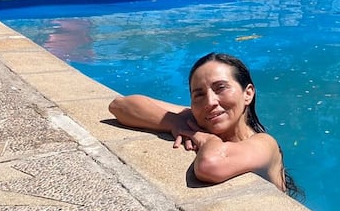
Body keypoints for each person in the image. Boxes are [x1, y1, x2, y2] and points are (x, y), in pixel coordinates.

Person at [108, 52, 299, 196]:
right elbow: (120, 106)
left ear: (248, 93)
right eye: (198, 94)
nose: (209, 102)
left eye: (220, 88)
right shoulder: (199, 116)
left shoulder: (265, 144)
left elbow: (210, 165)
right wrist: (174, 122)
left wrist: (207, 139)